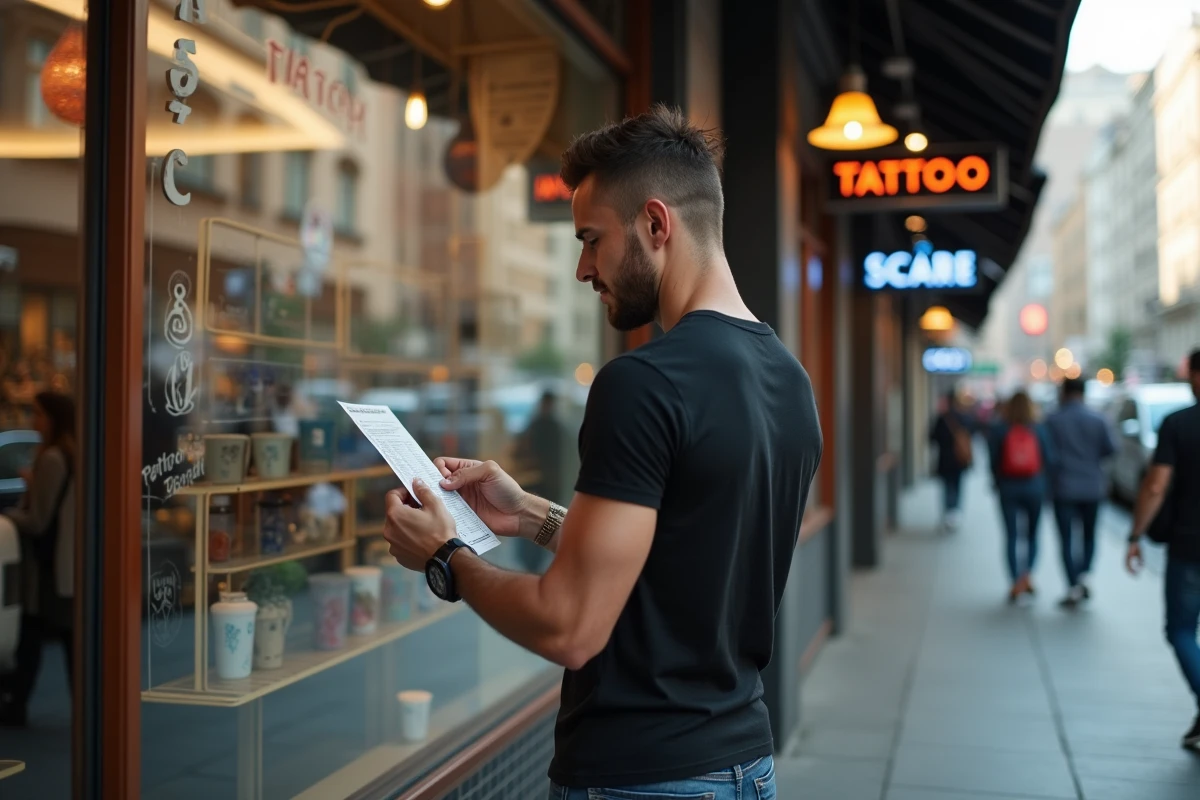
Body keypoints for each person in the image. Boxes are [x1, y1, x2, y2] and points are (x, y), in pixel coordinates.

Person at [382, 106, 822, 797]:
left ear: (655, 224)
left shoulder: (644, 382)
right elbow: (676, 565)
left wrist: (445, 557)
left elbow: (571, 628)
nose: (585, 268)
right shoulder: (790, 381)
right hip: (746, 766)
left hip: (639, 777)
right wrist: (526, 513)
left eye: (592, 239)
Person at [1126, 348, 1200, 751]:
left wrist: (1135, 535)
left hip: (1190, 546)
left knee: (1182, 630)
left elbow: (1155, 486)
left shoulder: (1178, 424)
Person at [0, 391, 75, 727]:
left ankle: (17, 705)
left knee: (33, 636)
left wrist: (10, 515)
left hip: (46, 565)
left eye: (39, 414)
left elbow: (38, 520)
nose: (34, 421)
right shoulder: (72, 454)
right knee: (65, 638)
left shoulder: (51, 459)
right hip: (63, 563)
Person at [1045, 377, 1117, 607]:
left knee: (1066, 539)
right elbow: (1112, 449)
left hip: (1063, 487)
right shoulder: (1098, 419)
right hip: (1091, 487)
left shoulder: (1053, 420)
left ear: (1064, 393)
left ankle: (1073, 583)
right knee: (1089, 535)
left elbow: (1045, 453)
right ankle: (1084, 574)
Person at [989, 391, 1055, 603]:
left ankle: (1015, 580)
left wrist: (998, 482)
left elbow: (993, 461)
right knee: (1033, 535)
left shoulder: (1000, 428)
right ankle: (1027, 576)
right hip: (1034, 487)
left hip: (1008, 487)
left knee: (1011, 536)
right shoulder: (1038, 428)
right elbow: (1049, 459)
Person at [929, 389, 975, 531]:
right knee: (958, 486)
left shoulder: (942, 419)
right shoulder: (964, 418)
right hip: (959, 460)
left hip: (945, 459)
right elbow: (971, 435)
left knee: (947, 487)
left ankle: (948, 513)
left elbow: (932, 438)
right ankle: (955, 513)